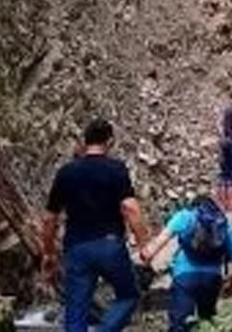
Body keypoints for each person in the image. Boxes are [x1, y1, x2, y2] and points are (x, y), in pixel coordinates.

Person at [41, 119, 151, 332]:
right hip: (109, 245)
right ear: (110, 141)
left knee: (75, 312)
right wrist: (143, 244)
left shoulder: (66, 172)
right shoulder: (116, 169)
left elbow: (49, 219)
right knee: (128, 295)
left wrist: (49, 253)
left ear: (84, 141)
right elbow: (131, 208)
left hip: (76, 248)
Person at [142, 195, 232, 331]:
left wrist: (145, 259)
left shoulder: (184, 217)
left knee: (180, 323)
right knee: (207, 322)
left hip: (185, 276)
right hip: (213, 279)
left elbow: (157, 245)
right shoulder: (222, 224)